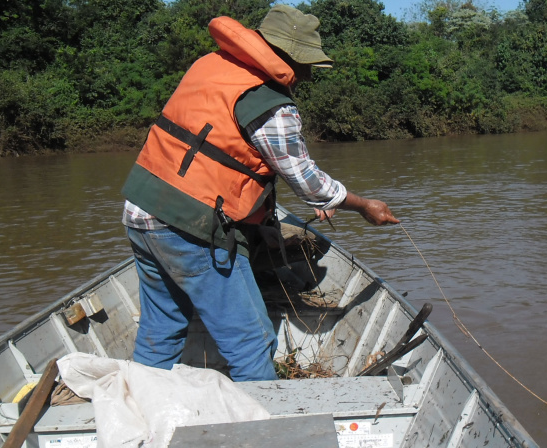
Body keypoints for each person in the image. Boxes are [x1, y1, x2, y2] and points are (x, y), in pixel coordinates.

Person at [120, 6, 399, 381]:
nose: (303, 77)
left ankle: (138, 409)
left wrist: (257, 224)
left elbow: (222, 158)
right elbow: (308, 183)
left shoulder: (211, 66)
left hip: (141, 212)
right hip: (191, 228)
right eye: (304, 66)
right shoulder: (270, 104)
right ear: (288, 56)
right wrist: (364, 206)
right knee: (253, 342)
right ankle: (261, 430)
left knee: (162, 327)